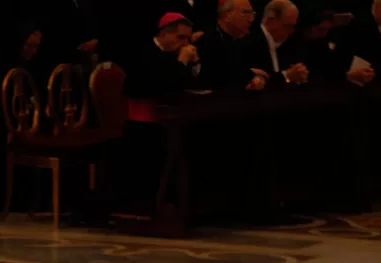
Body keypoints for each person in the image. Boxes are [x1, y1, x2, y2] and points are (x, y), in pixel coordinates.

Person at [115, 13, 201, 218]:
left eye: (188, 39)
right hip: (143, 124)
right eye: (181, 38)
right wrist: (181, 63)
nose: (185, 43)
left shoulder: (173, 52)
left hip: (169, 119)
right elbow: (162, 86)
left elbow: (189, 84)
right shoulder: (144, 53)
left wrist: (194, 63)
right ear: (163, 34)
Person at [194, 0, 270, 90]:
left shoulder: (245, 42)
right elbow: (216, 77)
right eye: (245, 13)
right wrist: (252, 73)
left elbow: (263, 72)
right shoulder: (207, 40)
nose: (251, 19)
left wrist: (258, 79)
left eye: (252, 13)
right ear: (227, 16)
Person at [248, 0, 309, 85]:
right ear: (271, 21)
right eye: (288, 26)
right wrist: (286, 75)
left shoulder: (286, 44)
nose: (291, 31)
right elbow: (257, 80)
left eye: (293, 26)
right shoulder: (251, 41)